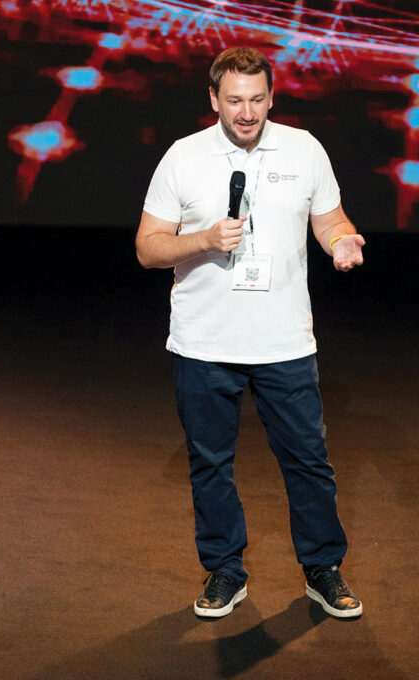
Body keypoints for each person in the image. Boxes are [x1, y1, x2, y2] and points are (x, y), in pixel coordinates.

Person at [135, 47, 365, 619]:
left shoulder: (304, 148)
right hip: (204, 342)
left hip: (284, 341)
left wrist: (342, 241)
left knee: (308, 461)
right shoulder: (183, 157)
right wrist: (204, 240)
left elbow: (330, 219)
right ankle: (225, 571)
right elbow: (148, 248)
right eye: (235, 100)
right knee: (210, 463)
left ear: (271, 97)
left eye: (257, 99)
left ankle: (322, 568)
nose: (247, 112)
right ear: (213, 98)